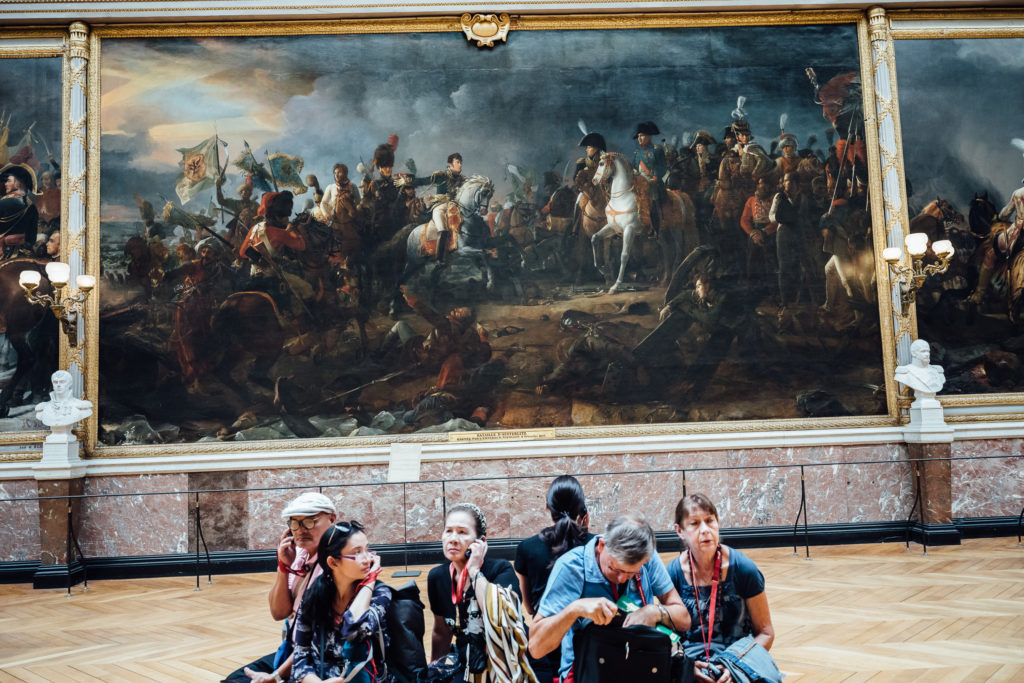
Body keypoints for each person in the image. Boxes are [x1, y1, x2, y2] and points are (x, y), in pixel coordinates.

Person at [528, 513, 690, 682]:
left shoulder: (647, 560)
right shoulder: (572, 567)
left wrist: (655, 612)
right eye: (615, 569)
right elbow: (536, 648)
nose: (621, 578)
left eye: (631, 573)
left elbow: (684, 619)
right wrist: (574, 609)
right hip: (589, 673)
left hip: (643, 668)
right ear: (602, 545)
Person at [222, 492, 337, 683]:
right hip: (291, 650)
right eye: (294, 523)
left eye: (309, 521)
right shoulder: (299, 554)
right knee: (235, 680)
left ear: (332, 519)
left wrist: (275, 676)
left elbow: (315, 642)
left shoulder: (336, 565)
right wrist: (283, 567)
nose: (300, 530)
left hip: (315, 659)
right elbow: (278, 612)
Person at [668, 494, 777, 683]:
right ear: (680, 531)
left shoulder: (744, 569)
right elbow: (666, 634)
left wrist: (734, 667)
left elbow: (766, 633)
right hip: (690, 661)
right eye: (694, 523)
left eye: (710, 521)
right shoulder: (672, 573)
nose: (705, 530)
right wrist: (685, 665)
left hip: (738, 656)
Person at [291, 520, 393, 683]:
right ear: (333, 562)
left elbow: (355, 630)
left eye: (367, 549)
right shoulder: (314, 596)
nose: (368, 558)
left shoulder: (379, 593)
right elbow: (300, 659)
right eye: (357, 552)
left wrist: (370, 581)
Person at [514, 476, 593, 683]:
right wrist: (587, 532)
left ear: (547, 507)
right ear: (583, 510)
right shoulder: (596, 546)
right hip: (589, 646)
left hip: (545, 646)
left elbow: (530, 608)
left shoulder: (527, 548)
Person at [427, 503, 519, 666]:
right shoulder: (437, 577)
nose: (453, 539)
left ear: (480, 541)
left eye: (462, 532)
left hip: (510, 662)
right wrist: (435, 671)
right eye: (448, 531)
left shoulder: (501, 570)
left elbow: (500, 618)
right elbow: (441, 632)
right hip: (471, 663)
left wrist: (475, 570)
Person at [0, 163, 39, 260]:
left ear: (18, 183)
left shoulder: (7, 202)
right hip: (24, 255)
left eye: (9, 181)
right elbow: (31, 238)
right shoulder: (32, 206)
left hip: (5, 254)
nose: (5, 184)